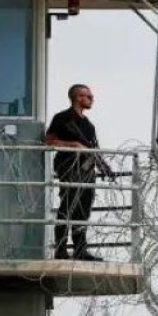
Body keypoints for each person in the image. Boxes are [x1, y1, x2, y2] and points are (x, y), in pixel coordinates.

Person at [45, 84, 113, 260]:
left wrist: (104, 167)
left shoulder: (88, 125)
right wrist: (73, 145)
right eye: (88, 96)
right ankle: (60, 250)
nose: (92, 99)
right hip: (68, 166)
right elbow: (49, 141)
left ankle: (80, 249)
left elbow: (94, 149)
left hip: (87, 169)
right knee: (68, 205)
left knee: (83, 210)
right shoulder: (62, 118)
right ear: (78, 97)